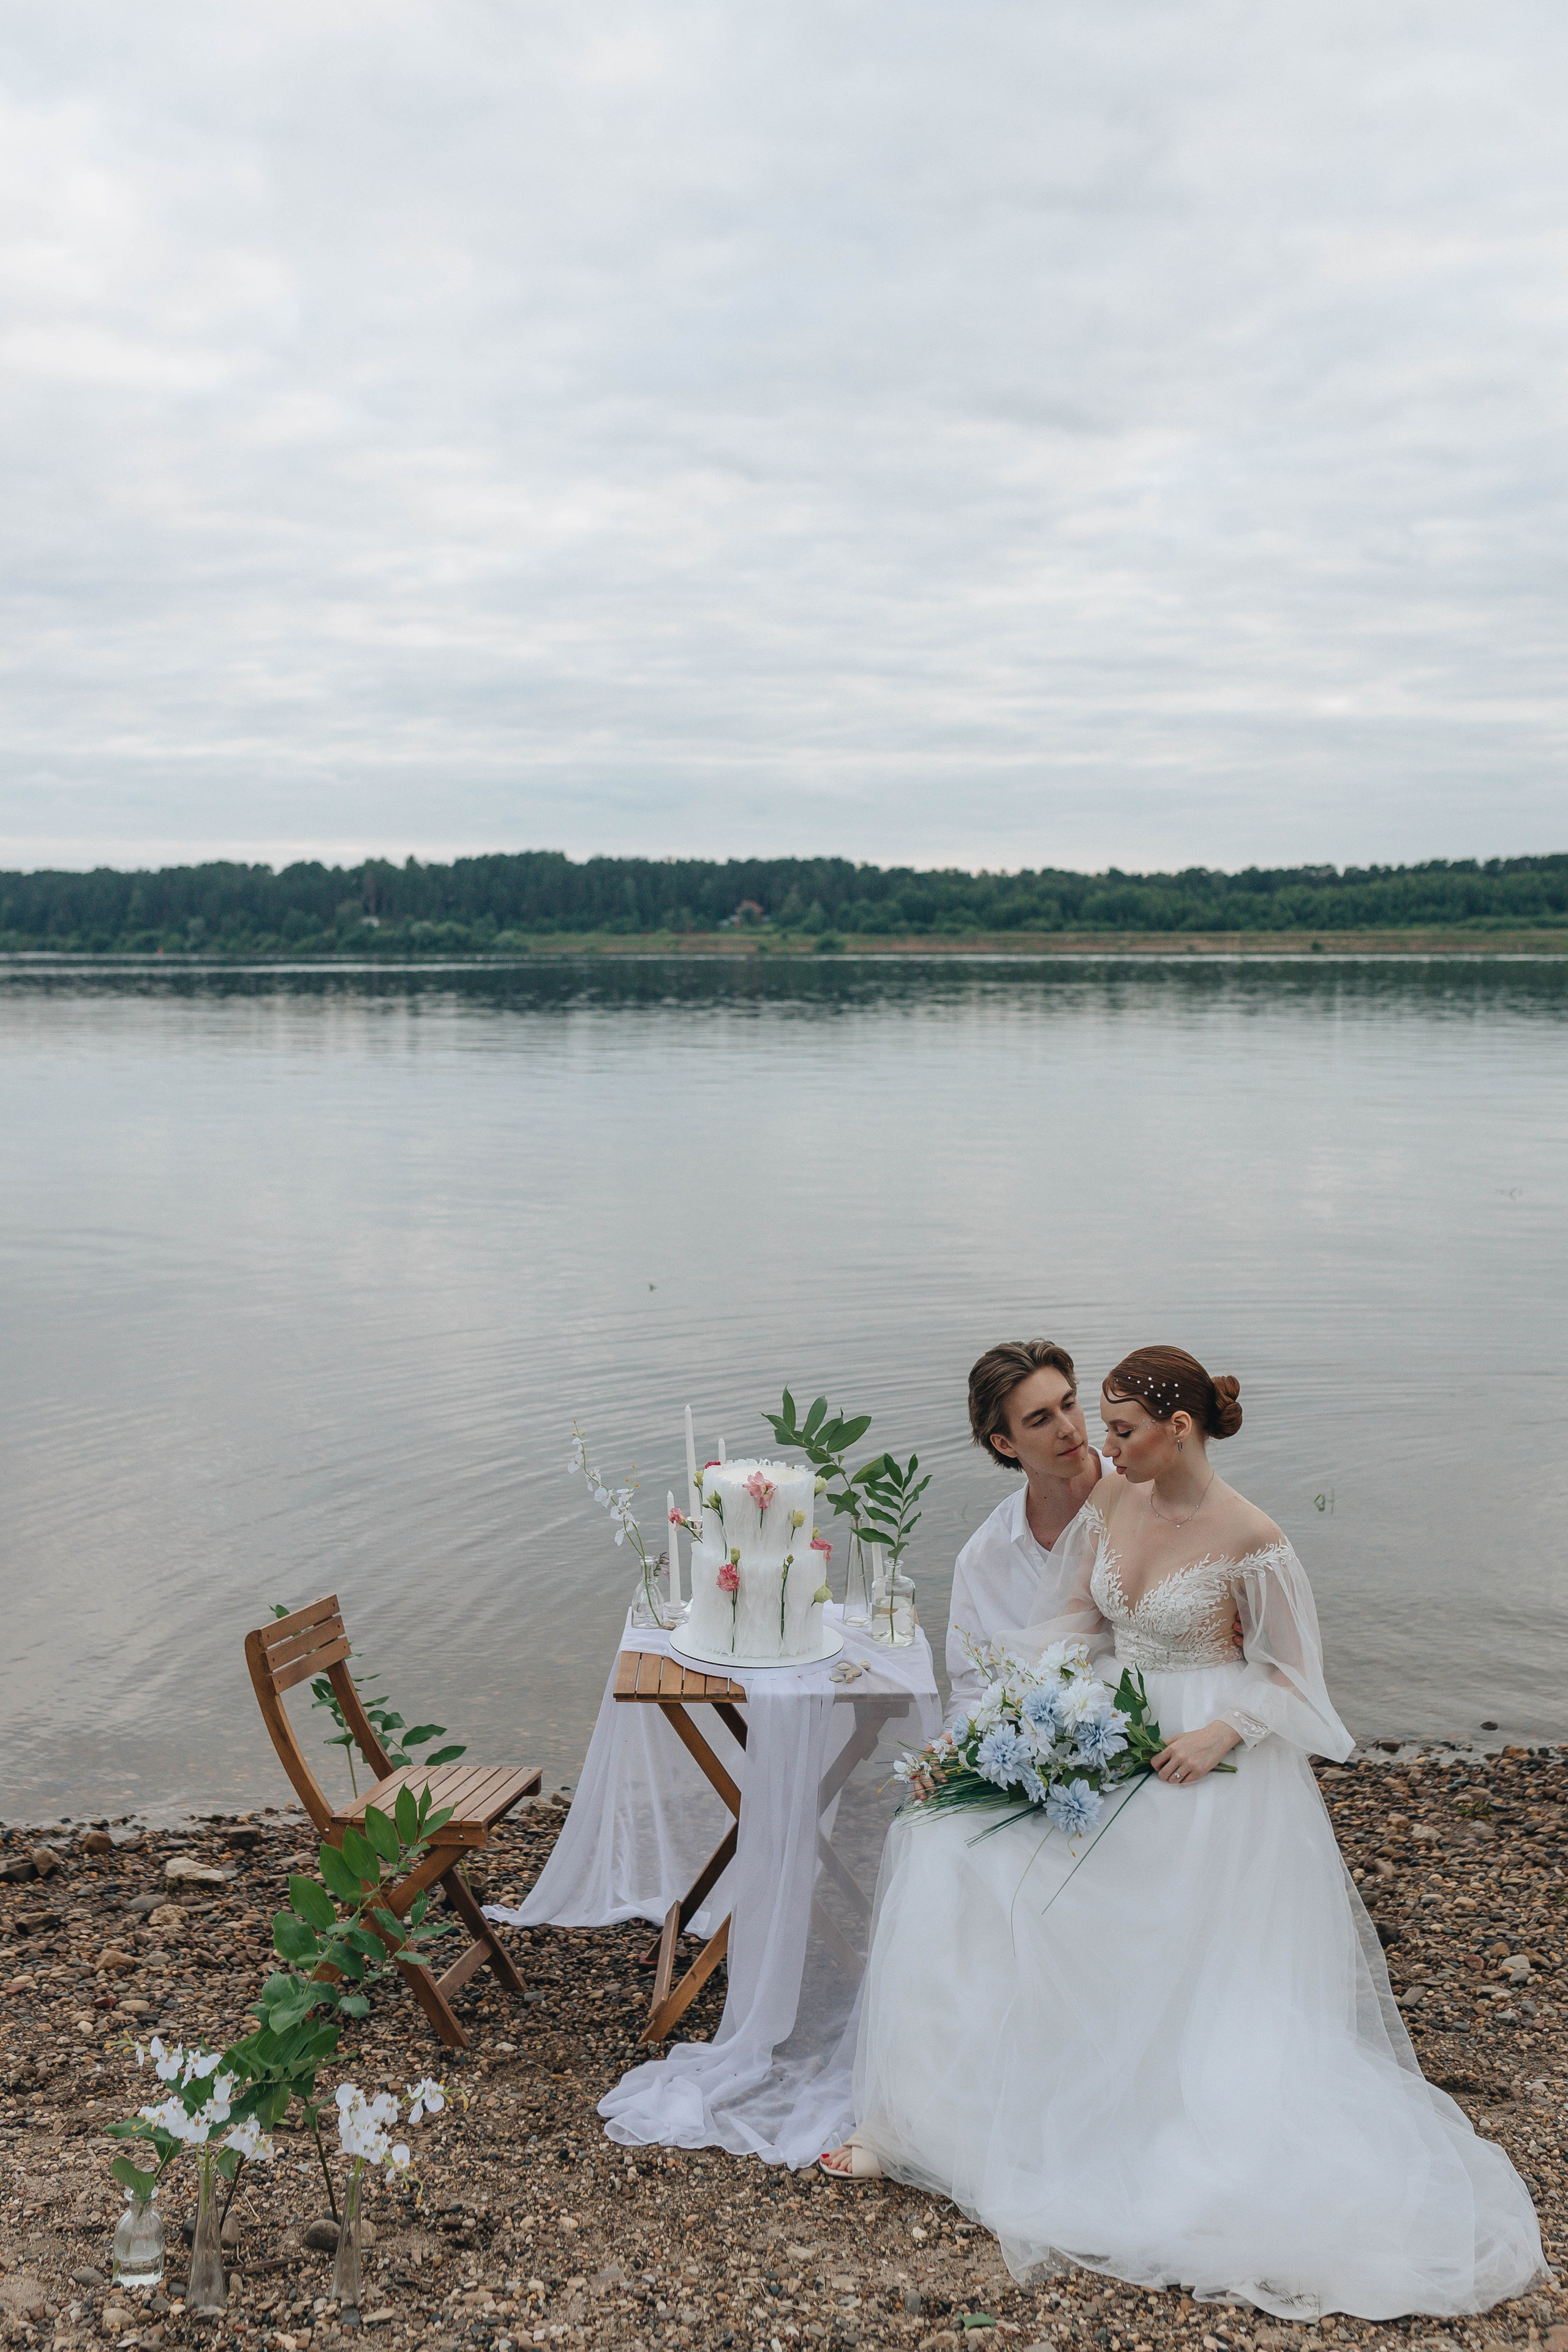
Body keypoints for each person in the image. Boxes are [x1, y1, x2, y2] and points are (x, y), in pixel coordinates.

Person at [823, 1348, 1542, 2323]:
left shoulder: (1255, 1537)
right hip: (1116, 1729)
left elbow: (1296, 1681)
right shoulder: (1111, 1506)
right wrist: (1005, 1724)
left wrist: (1221, 1731)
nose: (1100, 1445)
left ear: (1179, 1429)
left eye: (1118, 1428)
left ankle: (1144, 2106)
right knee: (954, 1847)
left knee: (1140, 1919)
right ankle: (930, 2110)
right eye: (1086, 1423)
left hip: (1205, 1759)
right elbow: (1070, 1625)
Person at [946, 1340, 1114, 1724]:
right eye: (1041, 1421)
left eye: (1069, 1404)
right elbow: (972, 1691)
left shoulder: (1153, 1497)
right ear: (1005, 1444)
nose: (1068, 1429)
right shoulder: (981, 1561)